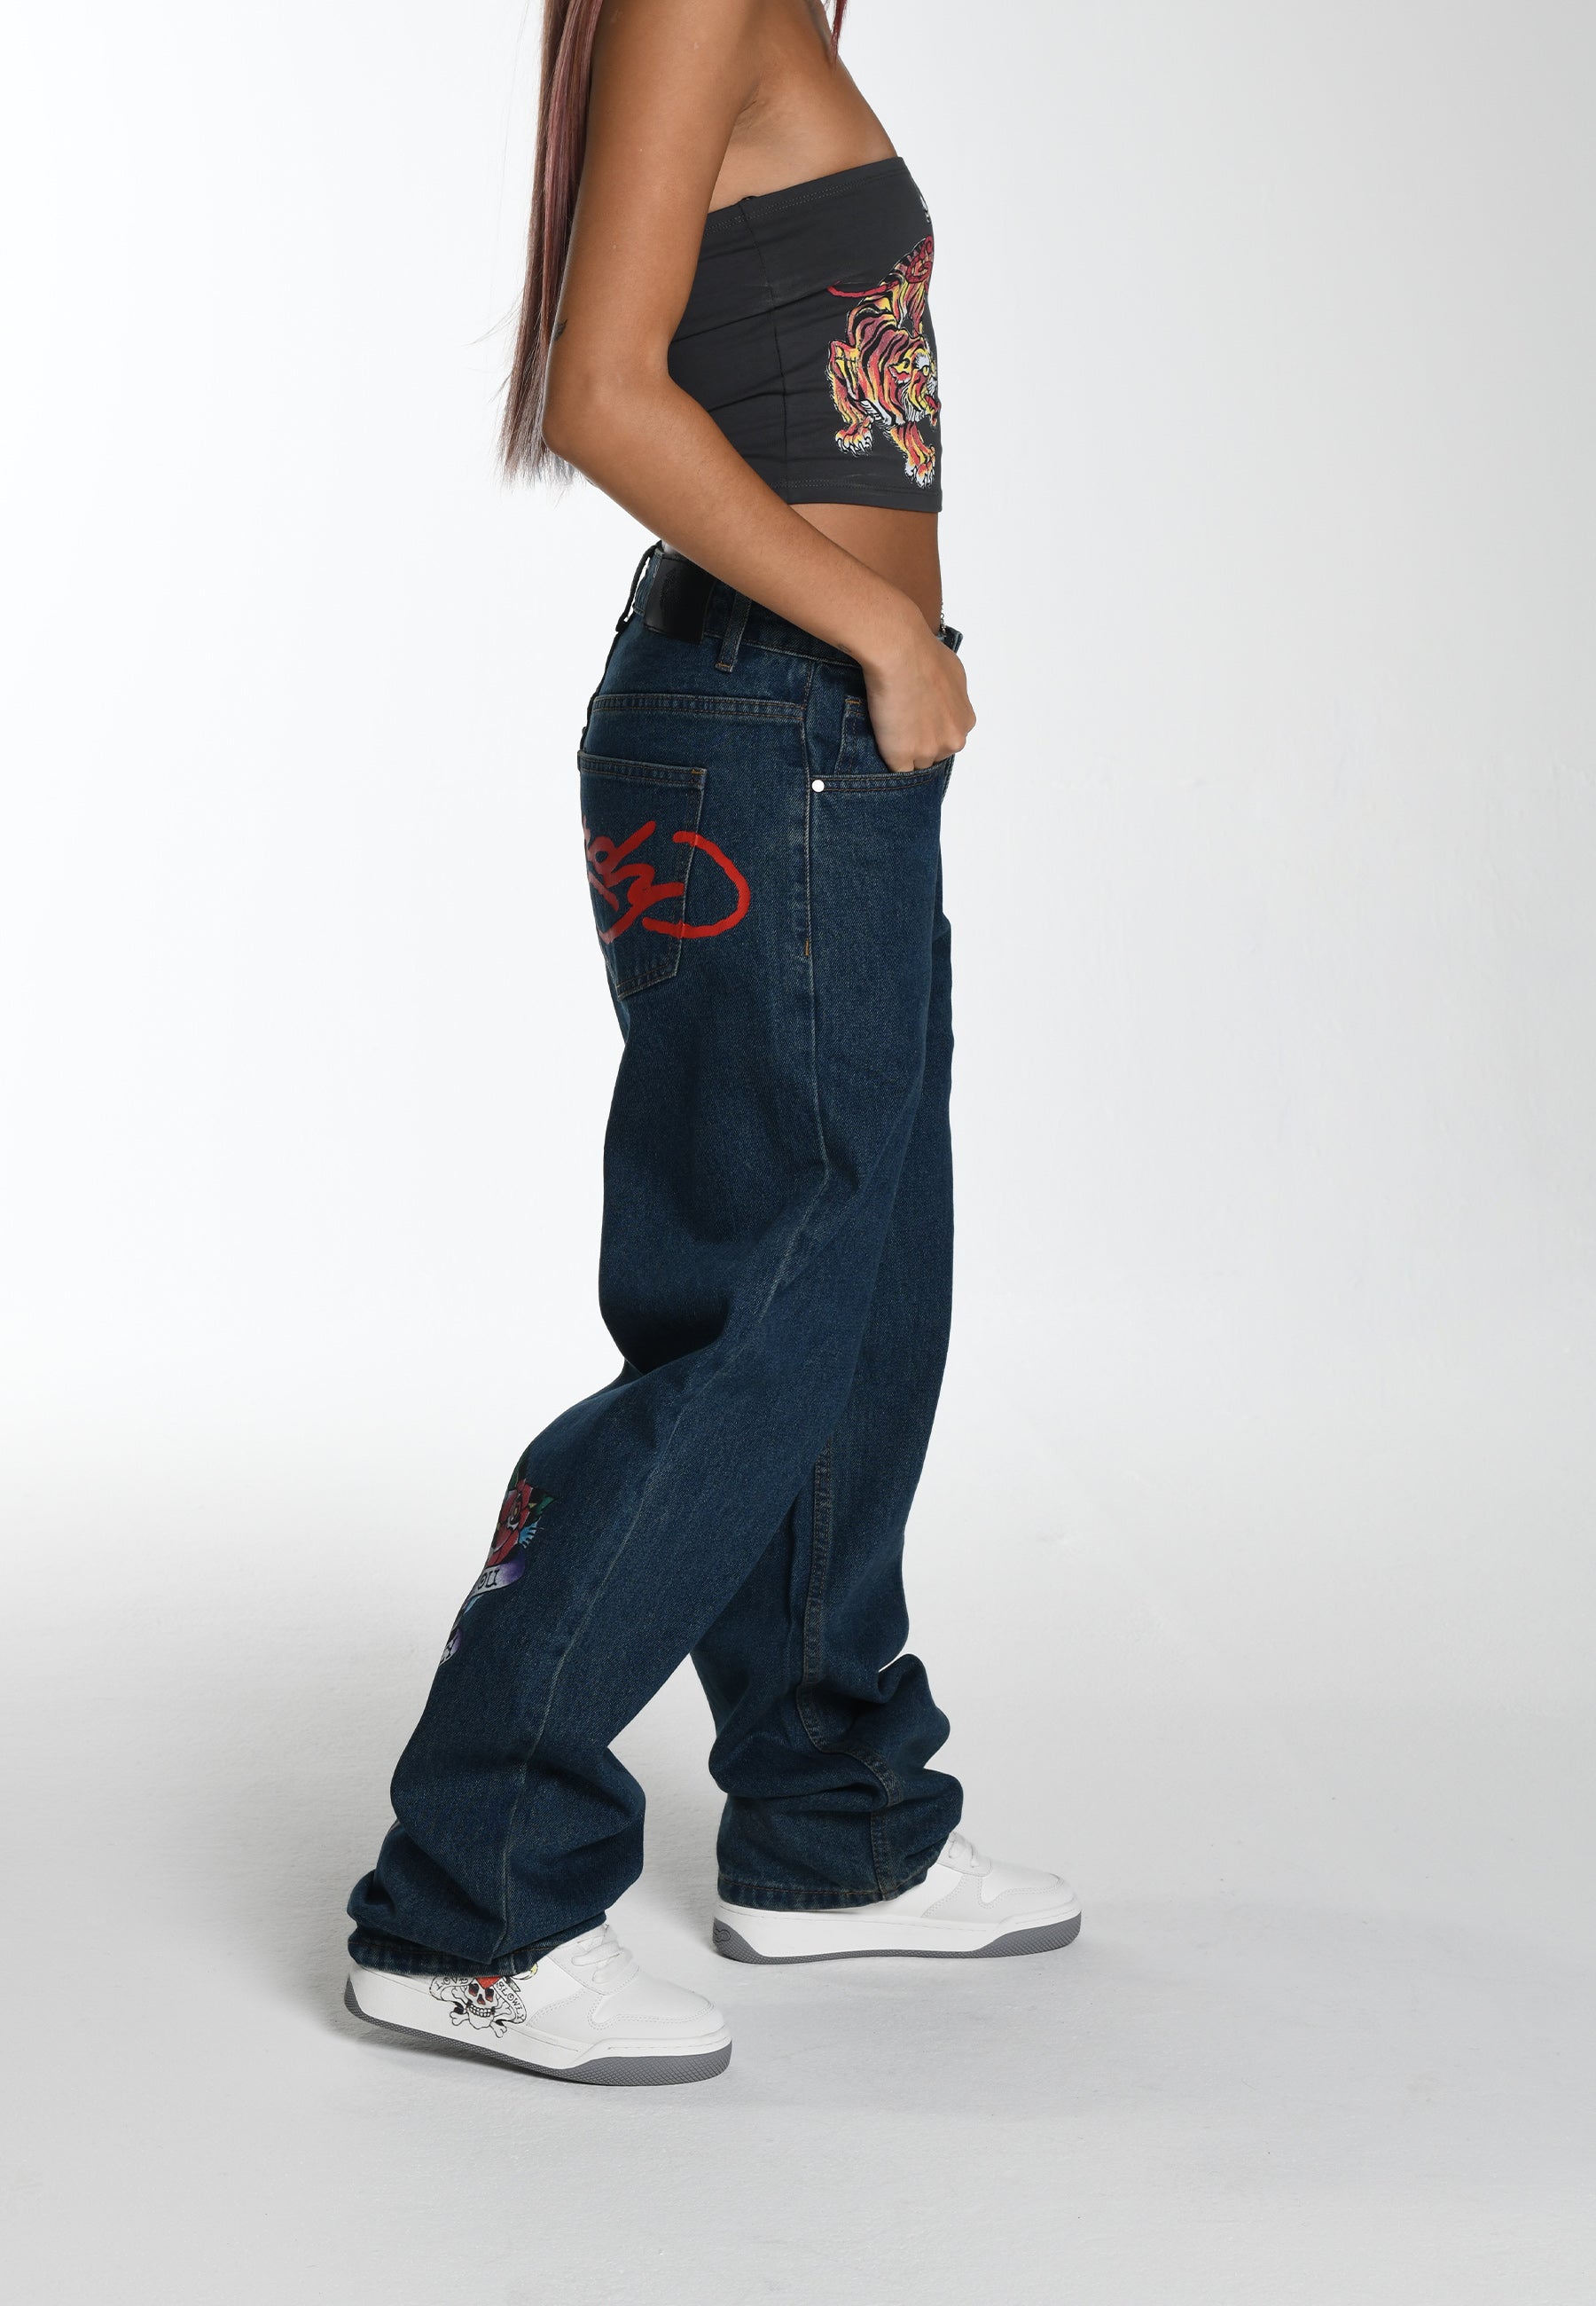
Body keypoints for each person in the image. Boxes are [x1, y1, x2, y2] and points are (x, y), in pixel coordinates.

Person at [344, 0, 1079, 2086]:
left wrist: (883, 662)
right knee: (753, 1322)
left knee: (868, 1298)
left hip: (825, 739)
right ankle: (465, 1904)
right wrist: (882, 626)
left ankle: (835, 1824)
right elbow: (604, 389)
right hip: (773, 726)